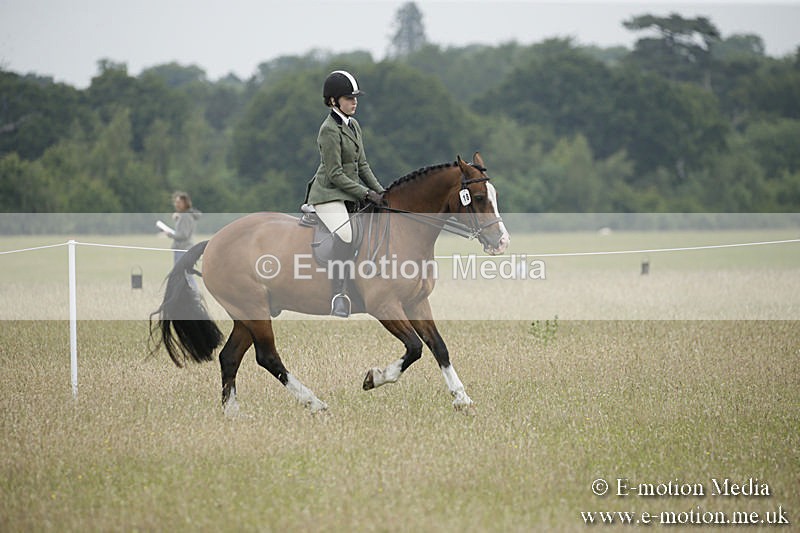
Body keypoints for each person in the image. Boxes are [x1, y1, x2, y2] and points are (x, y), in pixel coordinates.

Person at [305, 70, 385, 318]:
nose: (354, 102)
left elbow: (362, 166)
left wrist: (382, 193)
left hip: (350, 193)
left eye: (355, 98)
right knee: (347, 234)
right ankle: (339, 293)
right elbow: (336, 173)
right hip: (328, 194)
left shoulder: (354, 126)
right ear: (333, 101)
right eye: (349, 98)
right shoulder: (328, 130)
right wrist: (365, 193)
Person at [166, 191, 201, 289]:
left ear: (185, 203)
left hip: (182, 249)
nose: (176, 204)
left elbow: (183, 235)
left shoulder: (185, 216)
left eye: (179, 202)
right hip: (184, 248)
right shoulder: (185, 215)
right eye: (175, 202)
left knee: (185, 275)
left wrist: (171, 234)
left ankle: (194, 295)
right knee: (184, 275)